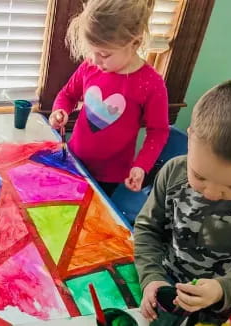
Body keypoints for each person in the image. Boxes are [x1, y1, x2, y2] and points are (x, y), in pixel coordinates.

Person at [134, 80, 231, 322]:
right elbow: (147, 229)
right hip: (165, 285)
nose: (211, 194)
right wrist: (152, 277)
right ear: (190, 138)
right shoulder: (173, 172)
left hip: (223, 304)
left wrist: (221, 290)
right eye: (199, 176)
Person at [49, 0, 170, 197]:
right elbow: (68, 95)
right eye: (92, 52)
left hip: (109, 176)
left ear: (135, 43)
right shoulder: (90, 66)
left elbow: (158, 132)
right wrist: (60, 110)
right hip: (74, 159)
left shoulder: (151, 84)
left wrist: (142, 165)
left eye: (104, 54)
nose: (95, 60)